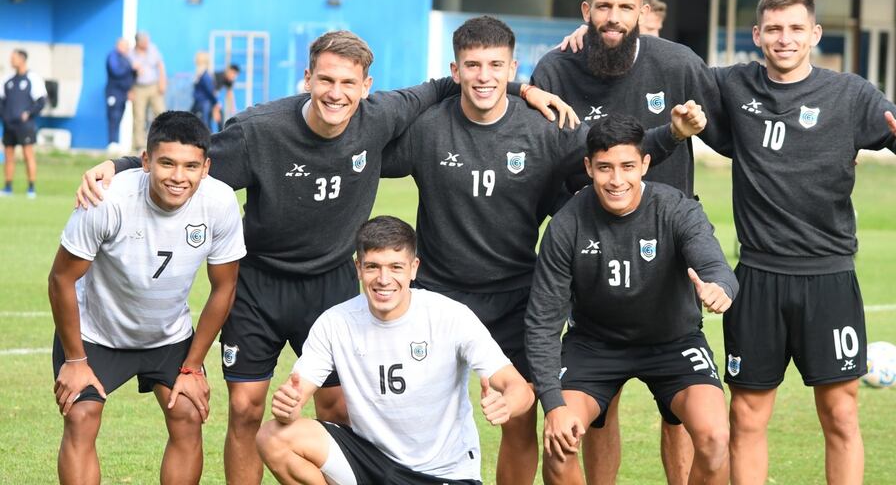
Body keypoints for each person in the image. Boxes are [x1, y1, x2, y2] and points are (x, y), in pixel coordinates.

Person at [74, 30, 575, 485]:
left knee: (337, 408)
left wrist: (524, 90)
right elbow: (186, 162)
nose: (337, 93)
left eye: (348, 83)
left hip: (332, 283)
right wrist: (119, 166)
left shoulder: (380, 115)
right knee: (247, 409)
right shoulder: (260, 130)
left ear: (366, 86)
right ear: (308, 77)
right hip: (260, 283)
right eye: (326, 79)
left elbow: (453, 83)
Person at [380, 16, 705, 484]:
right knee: (415, 417)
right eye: (472, 65)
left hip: (515, 296)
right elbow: (365, 140)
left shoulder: (544, 129)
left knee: (519, 421)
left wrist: (672, 134)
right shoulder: (427, 129)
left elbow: (614, 152)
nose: (484, 76)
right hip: (438, 296)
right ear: (455, 70)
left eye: (496, 65)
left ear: (513, 67)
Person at [715, 0, 896, 485]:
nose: (784, 38)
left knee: (840, 414)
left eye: (795, 28)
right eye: (773, 29)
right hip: (757, 279)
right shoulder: (732, 85)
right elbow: (666, 69)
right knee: (746, 416)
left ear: (814, 33)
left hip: (828, 278)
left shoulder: (849, 94)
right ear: (757, 35)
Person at [533, 0, 728, 484]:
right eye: (603, 7)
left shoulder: (678, 64)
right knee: (594, 417)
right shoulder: (556, 68)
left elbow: (731, 128)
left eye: (624, 7)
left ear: (643, 12)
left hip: (667, 262)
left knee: (685, 417)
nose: (613, 17)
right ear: (586, 12)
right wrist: (669, 134)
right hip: (591, 256)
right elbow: (558, 158)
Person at [525, 114, 738, 485]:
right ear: (589, 167)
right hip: (594, 346)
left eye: (627, 166)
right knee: (559, 445)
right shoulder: (566, 224)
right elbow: (543, 322)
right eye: (605, 168)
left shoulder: (676, 208)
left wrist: (720, 287)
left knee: (716, 439)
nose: (617, 180)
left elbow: (714, 265)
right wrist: (553, 404)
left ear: (645, 164)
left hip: (674, 342)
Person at [255, 215, 535, 484]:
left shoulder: (450, 316)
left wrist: (506, 403)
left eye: (396, 267)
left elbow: (519, 389)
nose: (384, 279)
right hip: (372, 463)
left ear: (414, 268)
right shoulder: (335, 322)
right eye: (373, 266)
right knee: (273, 437)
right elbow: (295, 396)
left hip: (444, 473)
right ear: (358, 268)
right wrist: (287, 408)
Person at [48, 111, 245, 485]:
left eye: (190, 166)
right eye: (166, 163)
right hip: (96, 334)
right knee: (80, 415)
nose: (178, 177)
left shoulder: (219, 202)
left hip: (168, 336)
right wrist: (74, 360)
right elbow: (61, 278)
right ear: (145, 161)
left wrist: (193, 365)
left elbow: (224, 287)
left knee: (188, 414)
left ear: (206, 167)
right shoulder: (106, 199)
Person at [1, 48, 47, 198]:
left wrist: (28, 113)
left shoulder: (32, 78)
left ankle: (31, 188)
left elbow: (41, 101)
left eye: (14, 57)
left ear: (22, 59)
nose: (11, 60)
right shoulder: (7, 80)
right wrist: (5, 116)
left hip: (25, 126)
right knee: (8, 155)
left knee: (28, 155)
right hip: (9, 125)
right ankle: (8, 187)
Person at [130, 31, 168, 152]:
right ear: (138, 42)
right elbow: (127, 74)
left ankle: (164, 139)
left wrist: (162, 82)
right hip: (138, 87)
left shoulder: (153, 49)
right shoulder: (131, 54)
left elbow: (161, 66)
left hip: (153, 86)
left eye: (147, 40)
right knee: (139, 116)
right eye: (144, 41)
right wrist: (130, 89)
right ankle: (139, 145)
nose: (146, 43)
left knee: (161, 112)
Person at [105, 37, 136, 152]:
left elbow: (130, 77)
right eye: (125, 46)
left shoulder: (126, 58)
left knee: (119, 117)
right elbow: (116, 71)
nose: (127, 49)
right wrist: (131, 68)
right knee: (113, 116)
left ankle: (116, 142)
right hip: (114, 92)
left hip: (123, 93)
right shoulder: (113, 56)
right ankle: (112, 142)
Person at [190, 51, 219, 131]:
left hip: (204, 103)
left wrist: (216, 103)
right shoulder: (201, 74)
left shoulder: (205, 75)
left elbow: (210, 91)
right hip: (199, 102)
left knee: (205, 125)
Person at [215, 63, 241, 129]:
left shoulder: (230, 80)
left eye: (235, 75)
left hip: (212, 98)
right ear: (229, 71)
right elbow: (214, 93)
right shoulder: (219, 76)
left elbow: (230, 93)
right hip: (205, 97)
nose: (234, 76)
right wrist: (216, 108)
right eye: (233, 73)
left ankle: (220, 134)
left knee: (220, 117)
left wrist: (233, 108)